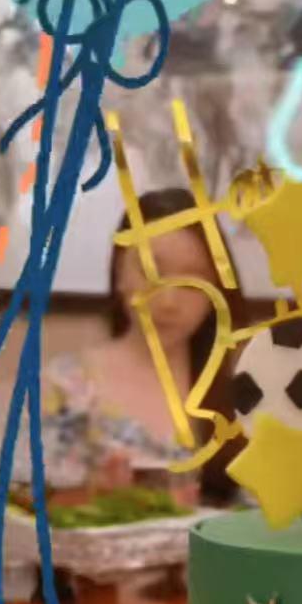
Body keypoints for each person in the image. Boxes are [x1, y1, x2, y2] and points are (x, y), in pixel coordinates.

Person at [44, 187, 248, 504]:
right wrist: (98, 494)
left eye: (192, 280)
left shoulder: (244, 394)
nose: (168, 302)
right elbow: (23, 508)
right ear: (119, 273)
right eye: (152, 272)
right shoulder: (68, 384)